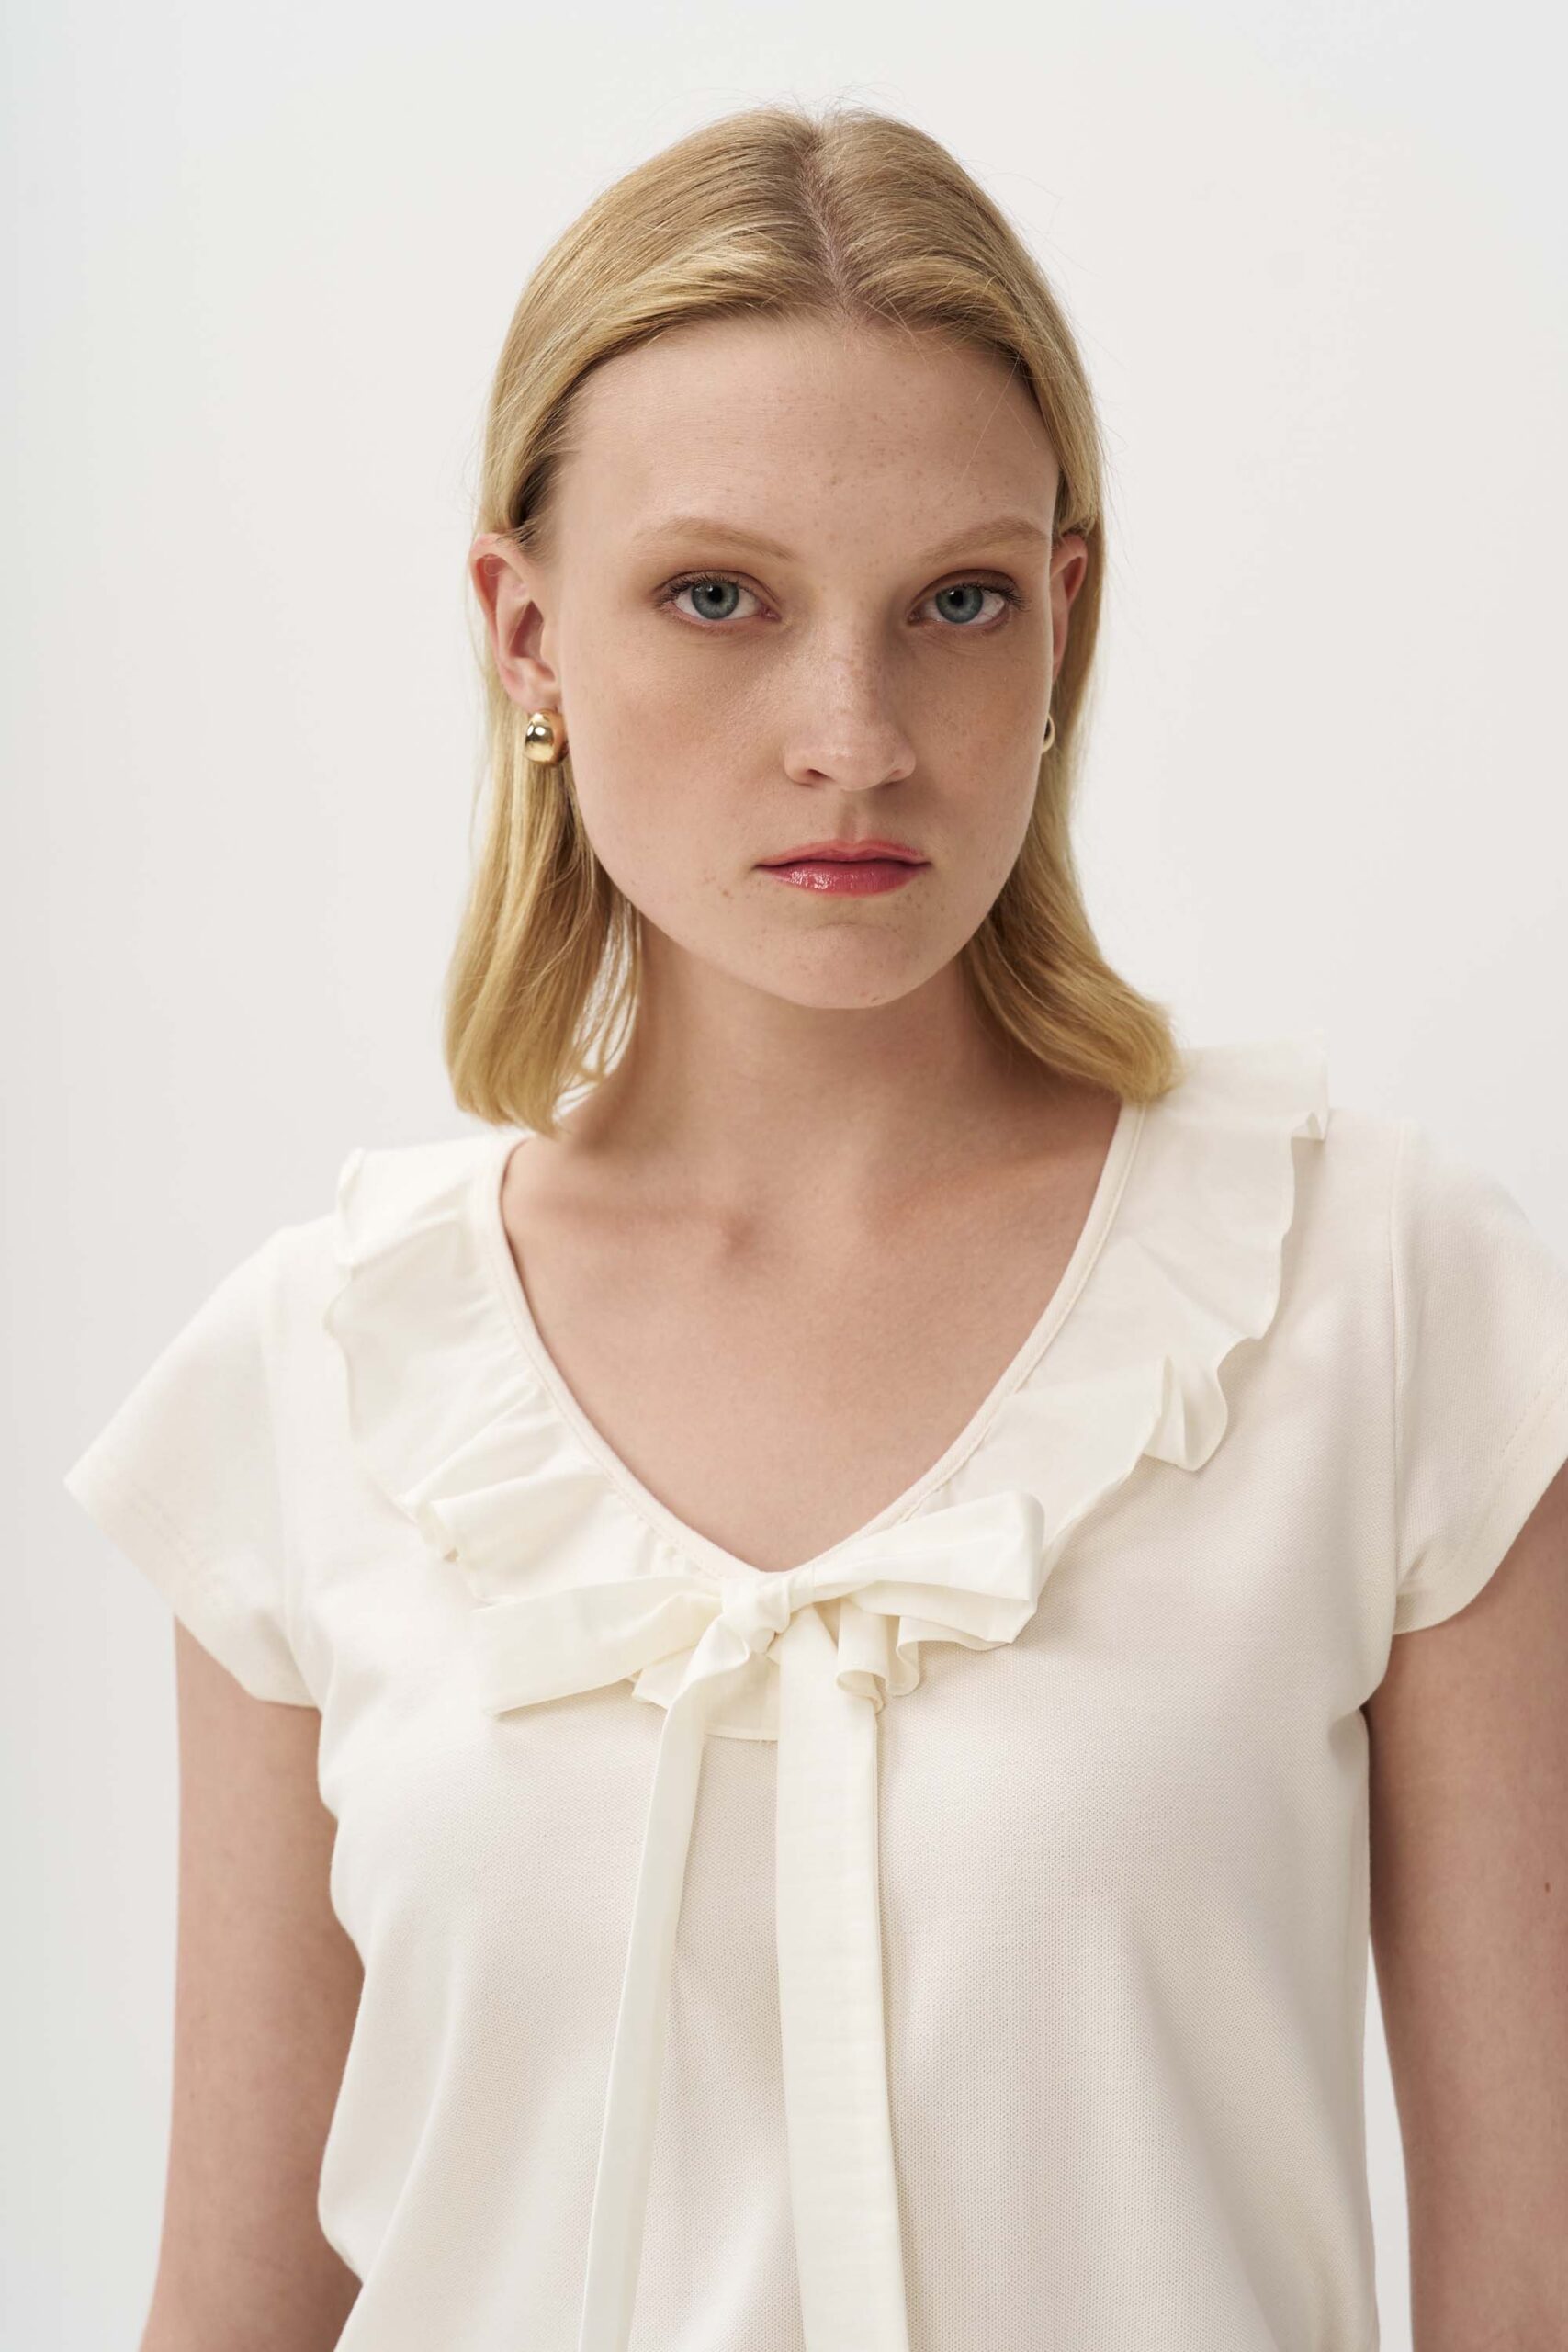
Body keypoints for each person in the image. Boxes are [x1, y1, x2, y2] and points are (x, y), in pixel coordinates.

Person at [62, 99, 1568, 2352]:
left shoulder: (1374, 1299)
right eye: (717, 598)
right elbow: (233, 2303)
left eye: (954, 601)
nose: (851, 736)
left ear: (1059, 619)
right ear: (523, 632)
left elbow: (1528, 2290)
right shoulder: (322, 1380)